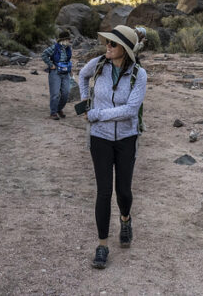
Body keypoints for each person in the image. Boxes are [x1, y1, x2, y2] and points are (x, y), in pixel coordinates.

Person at [77, 24, 147, 270]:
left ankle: (125, 219)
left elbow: (130, 110)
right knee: (104, 191)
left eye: (113, 43)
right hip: (100, 138)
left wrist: (96, 114)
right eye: (107, 41)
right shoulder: (98, 64)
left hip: (127, 137)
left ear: (124, 49)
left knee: (123, 191)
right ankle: (102, 245)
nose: (107, 46)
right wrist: (85, 100)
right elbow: (81, 76)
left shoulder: (139, 74)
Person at [41, 28, 74, 119]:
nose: (69, 41)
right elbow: (44, 55)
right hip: (55, 72)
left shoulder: (68, 48)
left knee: (66, 93)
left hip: (65, 72)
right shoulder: (54, 47)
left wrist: (70, 70)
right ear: (63, 40)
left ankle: (59, 109)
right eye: (68, 39)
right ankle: (53, 113)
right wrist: (51, 65)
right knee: (55, 93)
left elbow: (68, 60)